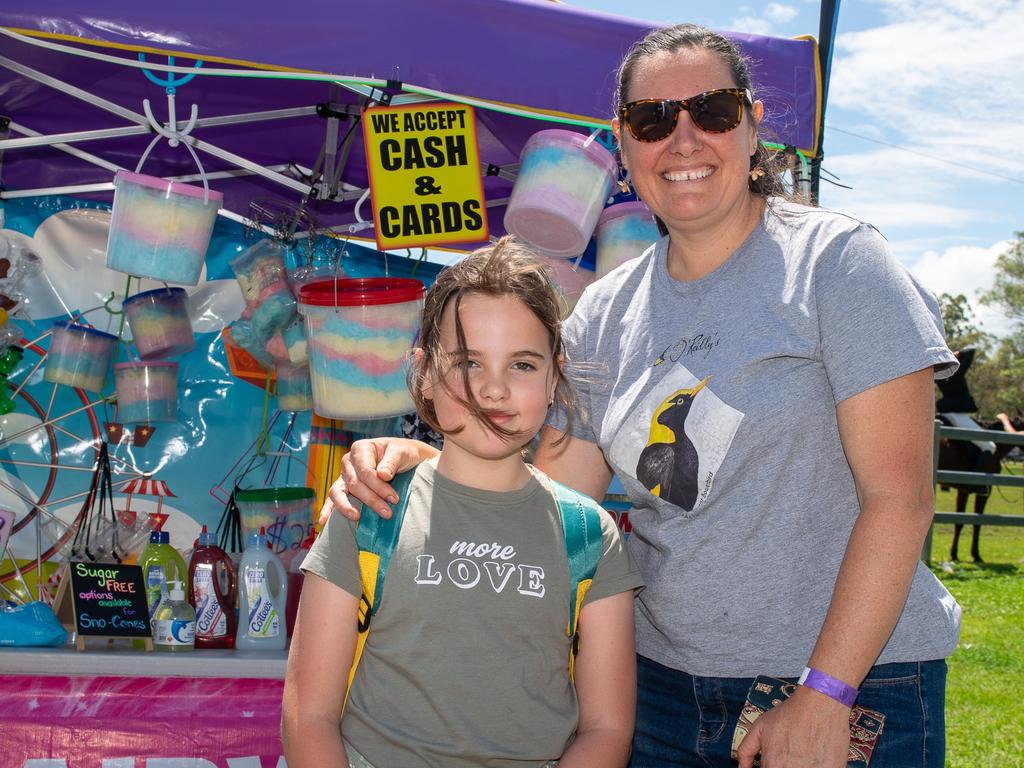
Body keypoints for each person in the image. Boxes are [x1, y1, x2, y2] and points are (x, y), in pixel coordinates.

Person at [322, 24, 960, 768]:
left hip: (846, 682)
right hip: (661, 691)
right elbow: (548, 498)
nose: (683, 140)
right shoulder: (604, 310)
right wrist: (428, 457)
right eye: (653, 121)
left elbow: (902, 498)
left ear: (752, 126)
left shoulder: (838, 265)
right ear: (623, 150)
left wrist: (826, 691)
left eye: (713, 112)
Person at [282, 238, 643, 768]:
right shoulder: (368, 509)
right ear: (426, 372)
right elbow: (306, 718)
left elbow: (608, 730)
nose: (493, 390)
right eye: (468, 362)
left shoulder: (590, 534)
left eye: (521, 364)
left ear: (553, 378)